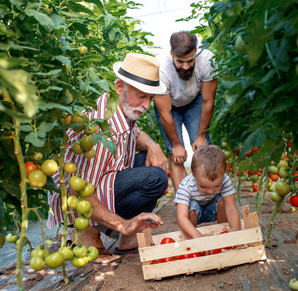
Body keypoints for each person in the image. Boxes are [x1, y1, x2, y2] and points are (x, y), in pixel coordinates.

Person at [47, 53, 169, 264]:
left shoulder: (119, 105)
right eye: (141, 96)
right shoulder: (100, 129)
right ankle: (85, 236)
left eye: (150, 98)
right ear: (120, 87)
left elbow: (136, 134)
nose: (147, 105)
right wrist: (124, 224)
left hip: (103, 180)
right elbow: (80, 189)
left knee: (149, 162)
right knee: (155, 178)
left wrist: (152, 145)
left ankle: (128, 239)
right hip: (77, 199)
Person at [154, 31, 218, 192]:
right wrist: (176, 145)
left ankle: (206, 198)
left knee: (202, 149)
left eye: (190, 60)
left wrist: (201, 135)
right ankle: (184, 203)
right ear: (171, 54)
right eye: (180, 61)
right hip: (169, 107)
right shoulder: (161, 70)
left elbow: (208, 100)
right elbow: (165, 113)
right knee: (177, 156)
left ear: (196, 51)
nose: (186, 66)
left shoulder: (208, 60)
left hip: (195, 101)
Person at [174, 145, 240, 239]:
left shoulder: (225, 180)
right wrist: (197, 235)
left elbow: (231, 207)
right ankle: (190, 235)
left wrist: (236, 229)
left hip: (212, 209)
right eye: (203, 186)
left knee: (222, 201)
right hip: (194, 213)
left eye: (217, 186)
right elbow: (181, 217)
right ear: (192, 173)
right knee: (191, 207)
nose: (210, 191)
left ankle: (225, 231)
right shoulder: (186, 186)